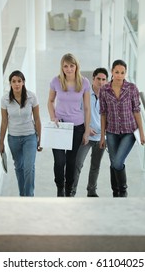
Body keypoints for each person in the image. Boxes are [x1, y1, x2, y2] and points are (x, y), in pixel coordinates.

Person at [99, 59, 145, 197]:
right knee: (114, 163)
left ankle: (123, 191)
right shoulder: (104, 90)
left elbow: (137, 111)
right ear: (112, 72)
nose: (119, 75)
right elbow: (103, 113)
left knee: (118, 162)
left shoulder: (132, 88)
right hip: (112, 131)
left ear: (125, 73)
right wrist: (103, 136)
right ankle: (116, 193)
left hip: (128, 132)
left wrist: (142, 134)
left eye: (122, 72)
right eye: (117, 72)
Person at [47, 53, 90, 197]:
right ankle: (60, 187)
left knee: (71, 161)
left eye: (72, 65)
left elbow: (87, 108)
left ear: (76, 66)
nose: (69, 69)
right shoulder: (56, 81)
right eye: (66, 66)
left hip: (77, 127)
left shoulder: (84, 82)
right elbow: (50, 101)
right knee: (59, 162)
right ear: (62, 67)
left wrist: (86, 131)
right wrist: (53, 117)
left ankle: (69, 189)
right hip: (60, 127)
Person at [0, 70, 42, 196]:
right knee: (19, 168)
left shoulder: (31, 97)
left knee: (29, 168)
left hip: (30, 137)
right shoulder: (5, 99)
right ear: (10, 84)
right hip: (14, 138)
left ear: (23, 83)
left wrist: (40, 139)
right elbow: (4, 121)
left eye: (19, 81)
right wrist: (1, 142)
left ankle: (29, 197)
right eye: (14, 81)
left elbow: (37, 119)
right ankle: (22, 195)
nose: (17, 84)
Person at [72, 68, 108, 197]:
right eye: (98, 79)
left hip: (101, 138)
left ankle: (91, 191)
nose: (101, 82)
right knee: (77, 164)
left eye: (104, 79)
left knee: (95, 166)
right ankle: (72, 191)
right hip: (86, 135)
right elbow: (78, 111)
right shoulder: (85, 94)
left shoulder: (108, 97)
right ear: (93, 79)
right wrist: (86, 128)